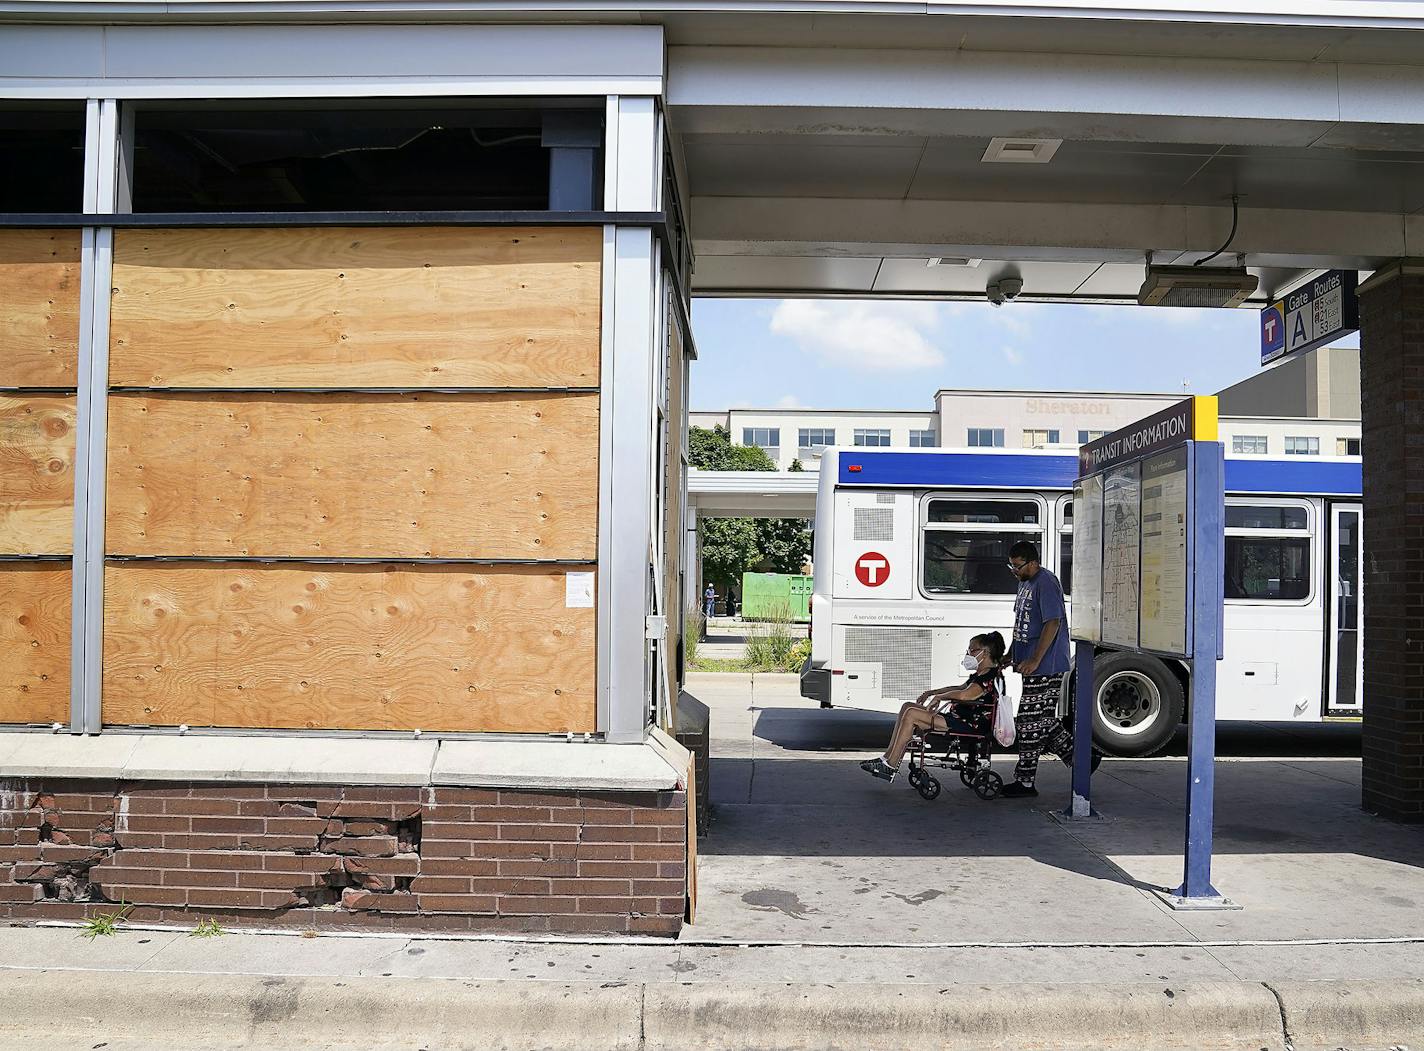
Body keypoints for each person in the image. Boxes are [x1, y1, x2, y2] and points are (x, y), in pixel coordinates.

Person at [860, 632, 1007, 782]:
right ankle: (886, 758)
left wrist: (940, 697)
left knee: (911, 713)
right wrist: (932, 692)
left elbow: (965, 695)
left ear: (985, 652)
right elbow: (959, 688)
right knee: (907, 706)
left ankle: (890, 765)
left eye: (972, 650)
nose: (968, 654)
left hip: (969, 725)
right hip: (960, 720)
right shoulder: (981, 675)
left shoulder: (988, 676)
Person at [1002, 540, 1076, 798]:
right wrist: (1011, 654)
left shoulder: (1046, 582)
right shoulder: (1025, 583)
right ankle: (1079, 757)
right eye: (1011, 566)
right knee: (1040, 720)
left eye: (1018, 566)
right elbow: (1020, 624)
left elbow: (1052, 623)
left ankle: (1025, 782)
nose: (1014, 571)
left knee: (1028, 722)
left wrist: (1035, 659)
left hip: (1047, 664)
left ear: (1033, 562)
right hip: (1030, 664)